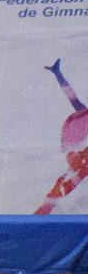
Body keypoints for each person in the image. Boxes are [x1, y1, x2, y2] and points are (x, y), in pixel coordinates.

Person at [34, 59, 88, 213]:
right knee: (67, 180)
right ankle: (48, 206)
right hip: (76, 153)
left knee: (66, 180)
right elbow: (70, 94)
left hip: (77, 155)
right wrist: (58, 75)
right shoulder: (83, 114)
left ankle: (48, 206)